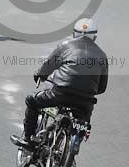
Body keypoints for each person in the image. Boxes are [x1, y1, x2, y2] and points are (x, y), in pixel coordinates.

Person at [11, 18, 109, 148]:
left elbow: (48, 66)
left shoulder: (66, 45)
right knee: (83, 122)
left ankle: (28, 139)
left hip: (61, 93)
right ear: (94, 36)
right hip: (85, 102)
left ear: (75, 33)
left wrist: (39, 75)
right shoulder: (102, 55)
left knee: (31, 101)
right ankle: (74, 147)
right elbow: (102, 88)